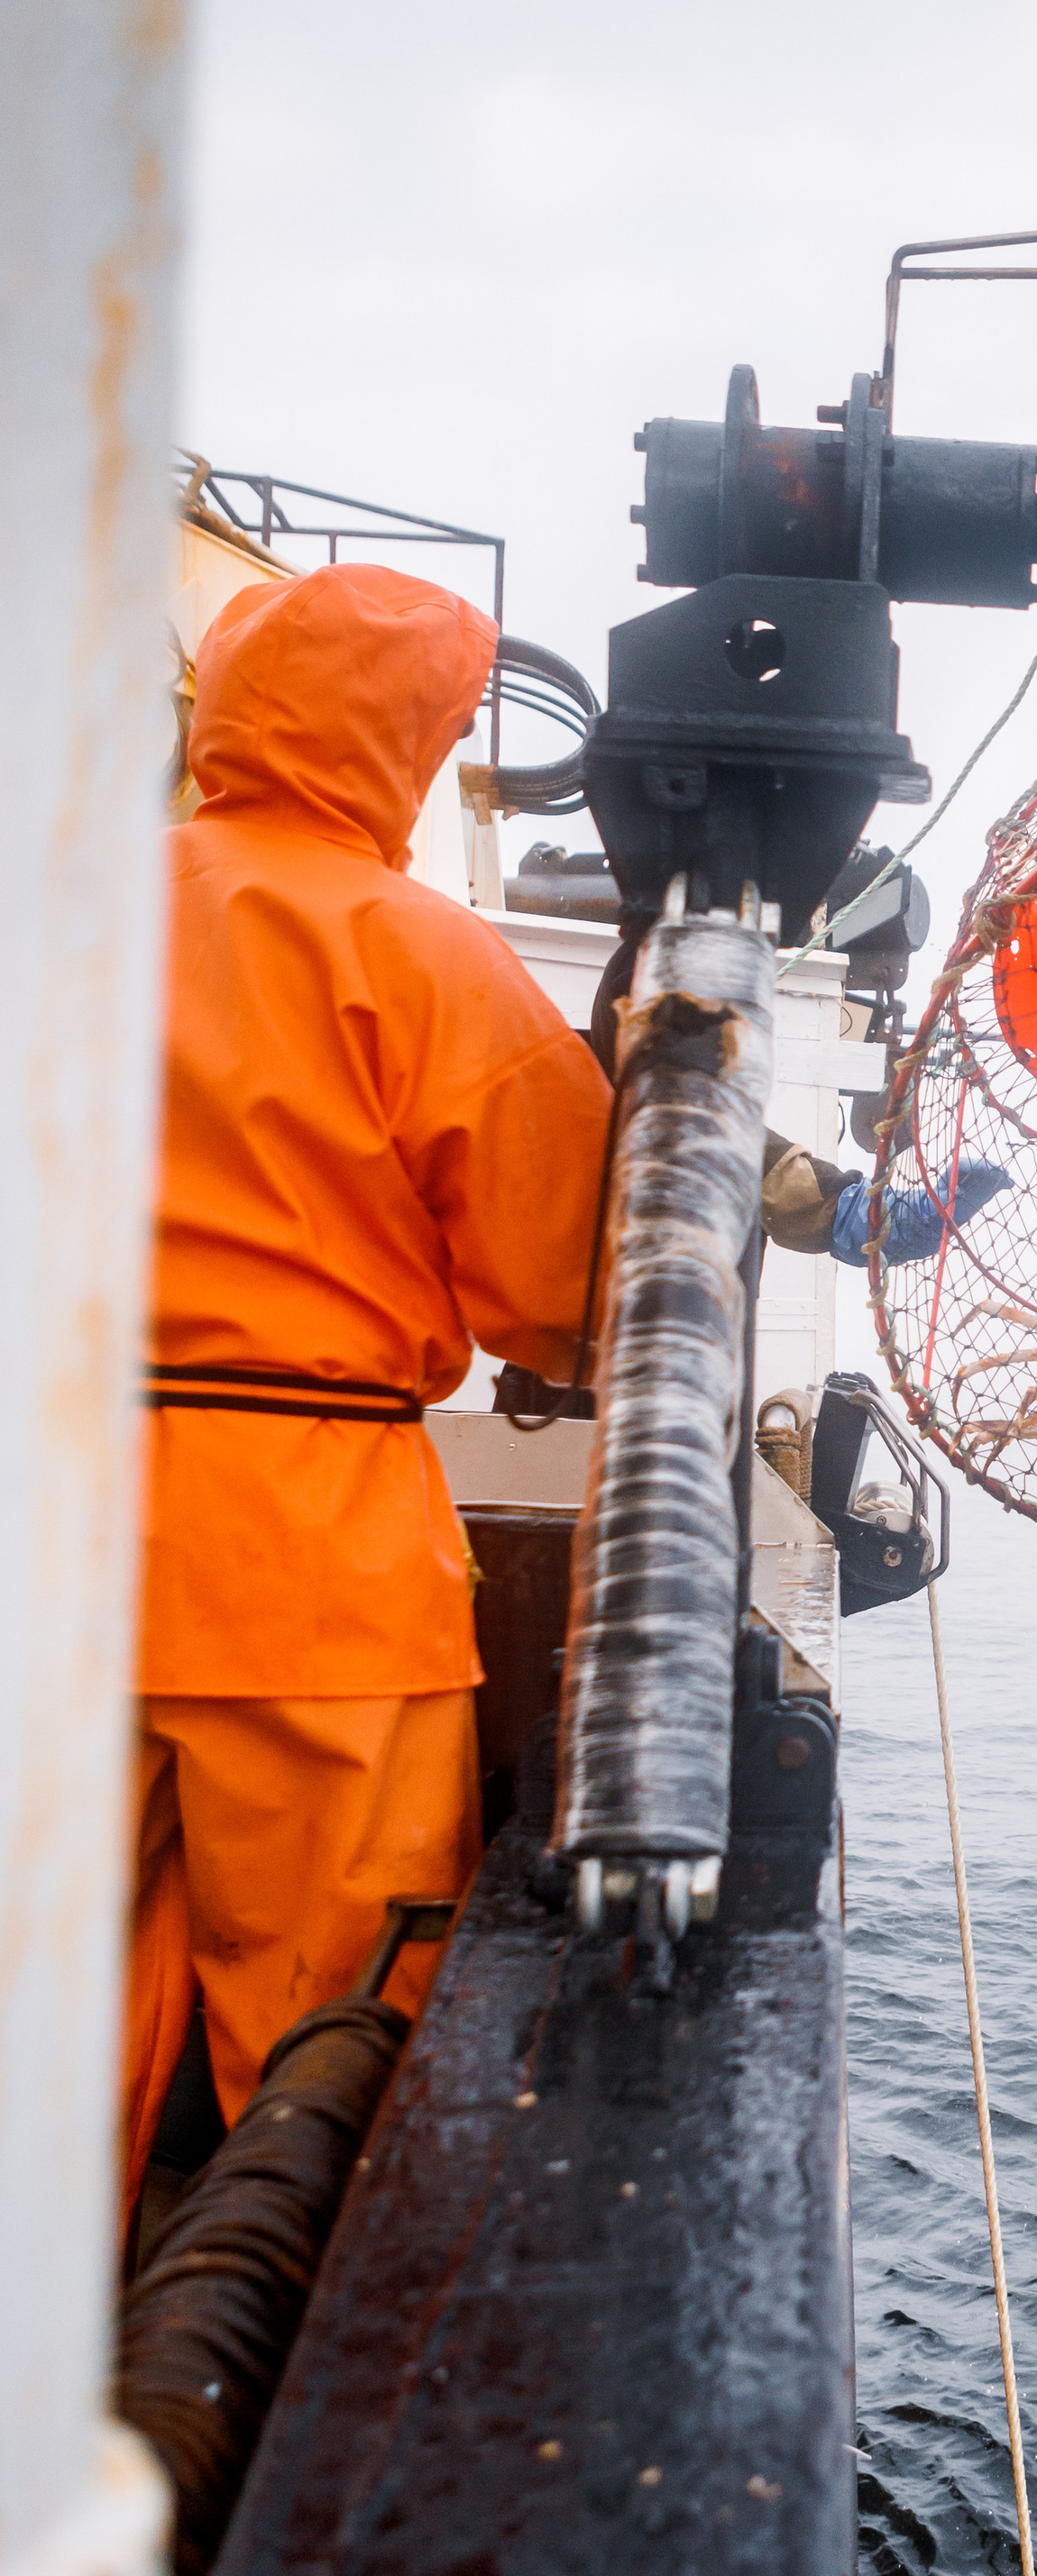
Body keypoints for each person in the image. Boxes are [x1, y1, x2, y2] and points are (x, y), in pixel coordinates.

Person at [122, 562, 612, 2231]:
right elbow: (561, 1300)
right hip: (309, 1537)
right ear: (400, 740)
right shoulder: (430, 963)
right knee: (334, 2025)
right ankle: (269, 2385)